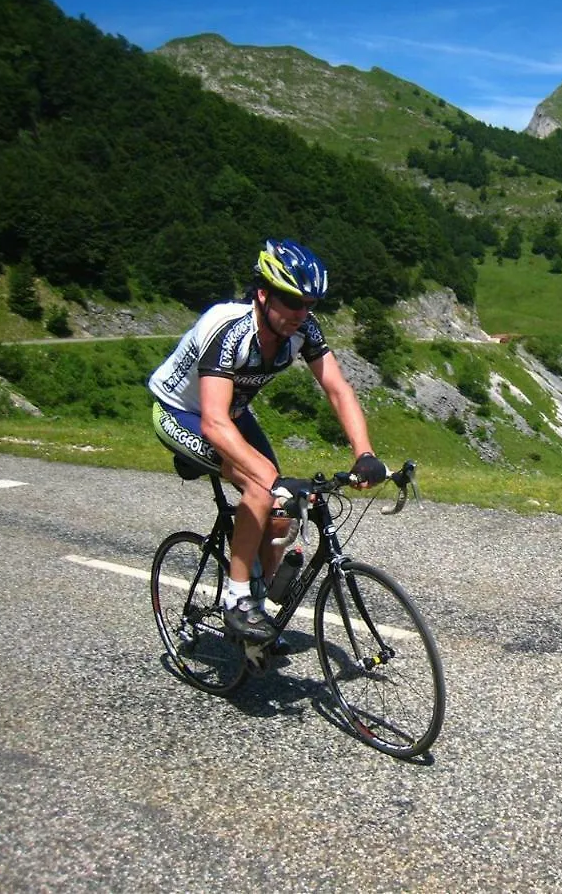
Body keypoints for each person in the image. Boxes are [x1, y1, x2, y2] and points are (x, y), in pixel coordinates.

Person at [149, 238, 387, 642]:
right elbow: (213, 422)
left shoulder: (303, 330)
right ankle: (237, 600)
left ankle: (258, 602)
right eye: (293, 302)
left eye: (309, 304)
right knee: (262, 483)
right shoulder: (227, 328)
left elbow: (337, 389)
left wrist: (364, 453)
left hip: (233, 415)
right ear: (263, 293)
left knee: (280, 513)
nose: (302, 313)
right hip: (182, 413)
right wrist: (264, 474)